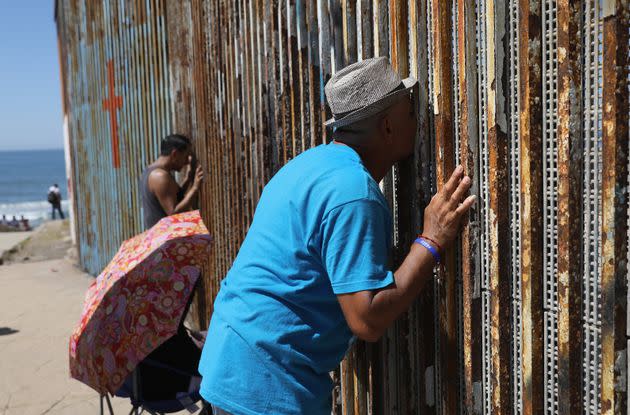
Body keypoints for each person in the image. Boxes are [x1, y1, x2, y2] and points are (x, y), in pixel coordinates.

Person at [197, 57, 477, 415]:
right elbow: (367, 320)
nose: (418, 119)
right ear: (388, 126)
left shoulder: (307, 166)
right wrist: (431, 241)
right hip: (265, 380)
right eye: (410, 110)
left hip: (234, 358)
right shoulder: (353, 193)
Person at [141, 134, 204, 230]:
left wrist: (188, 178)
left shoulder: (150, 171)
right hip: (164, 240)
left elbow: (173, 196)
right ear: (174, 154)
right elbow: (173, 212)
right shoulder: (160, 177)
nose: (187, 162)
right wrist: (195, 188)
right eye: (186, 156)